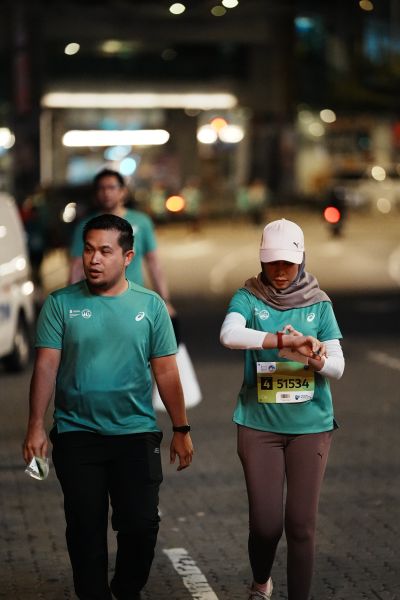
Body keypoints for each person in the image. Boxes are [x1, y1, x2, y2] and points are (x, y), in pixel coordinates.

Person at [23, 214, 193, 600]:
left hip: (135, 434)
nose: (94, 259)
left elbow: (166, 372)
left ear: (128, 257)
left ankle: (126, 588)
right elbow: (46, 367)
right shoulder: (60, 304)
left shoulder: (150, 306)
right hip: (76, 435)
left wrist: (181, 429)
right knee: (85, 530)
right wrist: (35, 426)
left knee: (141, 525)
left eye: (104, 251)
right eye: (88, 250)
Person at [220, 218, 344, 600]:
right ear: (261, 259)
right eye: (272, 261)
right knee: (266, 526)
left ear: (301, 259)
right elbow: (229, 334)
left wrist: (314, 358)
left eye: (287, 263)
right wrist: (280, 341)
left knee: (301, 526)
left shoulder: (319, 304)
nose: (279, 270)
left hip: (311, 427)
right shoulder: (248, 297)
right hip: (259, 426)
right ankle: (261, 581)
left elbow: (338, 366)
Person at [69, 168, 175, 315]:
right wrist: (71, 305)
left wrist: (165, 301)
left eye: (111, 187)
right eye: (101, 188)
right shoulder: (86, 226)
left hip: (133, 302)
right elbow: (77, 267)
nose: (106, 193)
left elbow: (153, 263)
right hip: (96, 303)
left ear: (123, 192)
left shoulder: (141, 222)